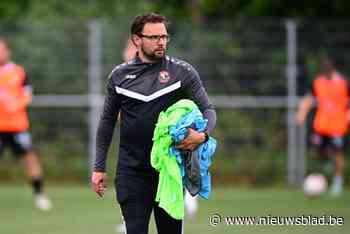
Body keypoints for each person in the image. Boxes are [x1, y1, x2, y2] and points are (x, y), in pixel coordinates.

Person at [91, 12, 216, 234]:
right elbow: (107, 121)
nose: (161, 42)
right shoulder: (119, 77)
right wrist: (99, 166)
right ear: (136, 40)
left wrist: (203, 135)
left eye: (164, 37)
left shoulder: (182, 72)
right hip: (132, 172)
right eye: (154, 37)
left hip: (169, 173)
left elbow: (208, 109)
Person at [0, 38, 52, 210]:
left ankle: (39, 195)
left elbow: (27, 95)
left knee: (31, 159)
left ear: (8, 51)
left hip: (17, 126)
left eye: (2, 50)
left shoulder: (18, 72)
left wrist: (16, 105)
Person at [295, 57, 348, 197]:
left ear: (333, 67)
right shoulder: (318, 82)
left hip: (338, 126)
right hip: (321, 125)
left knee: (338, 154)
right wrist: (301, 113)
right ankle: (327, 168)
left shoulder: (343, 83)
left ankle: (337, 183)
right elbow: (309, 98)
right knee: (316, 152)